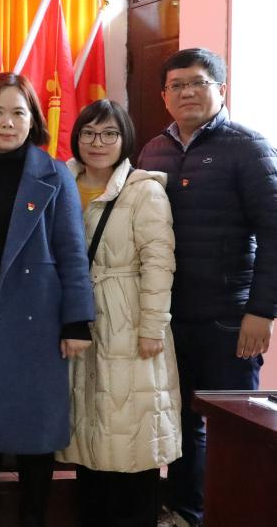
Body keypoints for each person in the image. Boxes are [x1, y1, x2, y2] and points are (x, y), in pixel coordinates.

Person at [0, 72, 94, 527]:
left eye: (18, 113)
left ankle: (33, 518)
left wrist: (77, 321)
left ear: (33, 119)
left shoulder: (54, 174)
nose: (8, 122)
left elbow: (72, 251)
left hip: (36, 320)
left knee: (35, 431)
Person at [137, 48, 277, 527]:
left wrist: (262, 311)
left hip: (229, 319)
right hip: (170, 317)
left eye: (198, 83)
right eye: (176, 85)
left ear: (221, 89)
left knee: (232, 427)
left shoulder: (249, 147)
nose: (187, 93)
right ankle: (184, 512)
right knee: (177, 421)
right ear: (164, 96)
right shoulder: (152, 151)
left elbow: (274, 233)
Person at [59, 99, 180, 527]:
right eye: (89, 133)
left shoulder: (144, 190)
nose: (98, 142)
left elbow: (159, 263)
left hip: (129, 319)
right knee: (91, 432)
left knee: (134, 433)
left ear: (124, 138)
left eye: (109, 133)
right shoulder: (62, 182)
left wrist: (152, 327)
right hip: (80, 318)